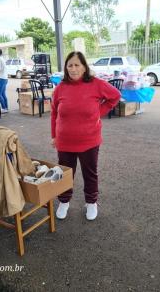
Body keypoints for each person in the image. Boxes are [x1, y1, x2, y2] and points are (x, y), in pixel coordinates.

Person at [51, 51, 121, 221]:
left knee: (90, 173)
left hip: (89, 140)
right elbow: (54, 113)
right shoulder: (60, 87)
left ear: (84, 67)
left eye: (77, 65)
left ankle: (91, 202)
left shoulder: (97, 84)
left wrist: (99, 112)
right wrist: (54, 136)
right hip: (64, 141)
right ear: (66, 68)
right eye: (70, 65)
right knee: (65, 173)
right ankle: (64, 201)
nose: (73, 69)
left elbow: (115, 97)